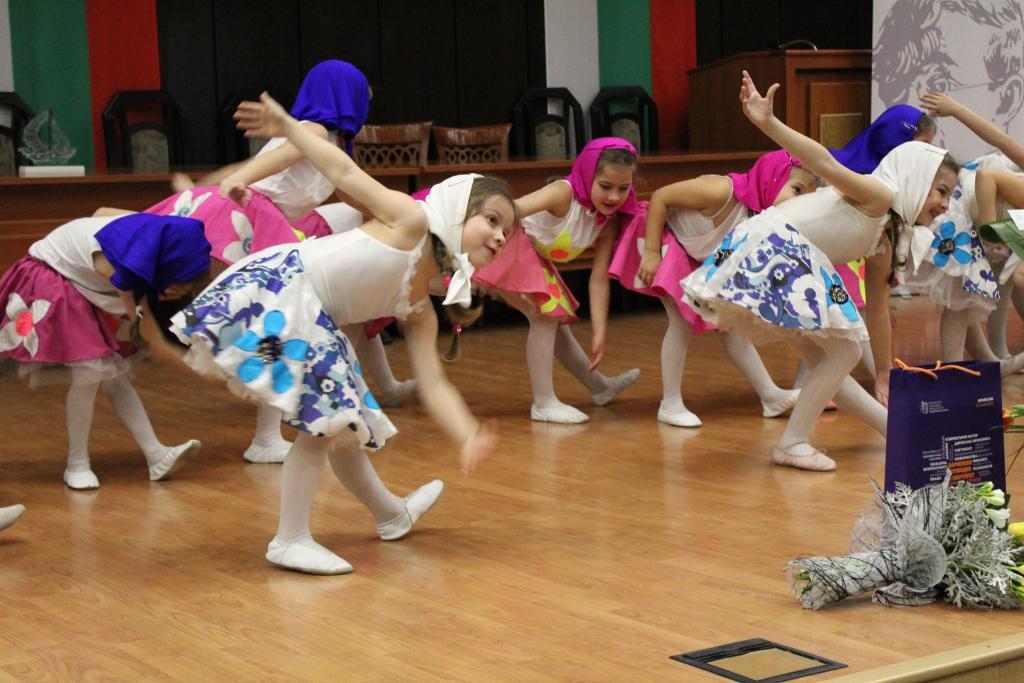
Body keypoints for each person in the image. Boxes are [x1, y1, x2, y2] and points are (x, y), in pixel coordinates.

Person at [171, 92, 511, 575]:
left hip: (312, 317)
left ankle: (391, 515)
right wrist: (288, 126)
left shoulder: (420, 309)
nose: (500, 236)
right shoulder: (410, 220)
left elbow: (434, 384)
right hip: (286, 290)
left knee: (345, 426)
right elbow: (344, 172)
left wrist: (468, 435)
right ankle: (289, 539)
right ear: (459, 208)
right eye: (492, 220)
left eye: (506, 232)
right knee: (325, 422)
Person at [682, 71, 958, 472]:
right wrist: (768, 122)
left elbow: (878, 308)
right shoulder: (879, 194)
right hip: (777, 244)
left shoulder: (888, 229)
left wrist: (884, 372)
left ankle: (892, 429)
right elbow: (822, 160)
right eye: (941, 191)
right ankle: (793, 442)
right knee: (845, 350)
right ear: (915, 179)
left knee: (830, 357)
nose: (946, 205)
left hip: (779, 247)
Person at [146, 60, 373, 464]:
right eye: (363, 94)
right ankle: (265, 434)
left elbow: (358, 195)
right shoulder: (313, 131)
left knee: (278, 326)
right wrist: (231, 183)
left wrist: (210, 182)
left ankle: (267, 430)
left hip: (260, 220)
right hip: (251, 217)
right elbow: (273, 162)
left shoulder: (329, 144)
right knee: (279, 324)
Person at [0, 214, 211, 488]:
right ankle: (77, 463)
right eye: (172, 288)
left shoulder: (145, 246)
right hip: (55, 276)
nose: (172, 295)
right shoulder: (120, 268)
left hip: (83, 282)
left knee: (112, 375)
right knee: (88, 373)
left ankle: (155, 454)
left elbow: (102, 211)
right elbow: (147, 331)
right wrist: (202, 370)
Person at [607, 150, 814, 426]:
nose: (801, 201)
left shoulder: (762, 217)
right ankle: (670, 404)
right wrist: (652, 252)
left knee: (729, 324)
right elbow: (661, 197)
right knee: (681, 322)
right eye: (797, 190)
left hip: (698, 255)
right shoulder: (721, 192)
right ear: (772, 179)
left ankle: (770, 395)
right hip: (661, 237)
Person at [473, 138, 641, 424]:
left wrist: (599, 331)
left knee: (556, 323)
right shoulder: (563, 194)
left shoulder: (608, 221)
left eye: (623, 189)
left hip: (533, 256)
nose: (614, 197)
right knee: (545, 317)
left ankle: (599, 387)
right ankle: (543, 402)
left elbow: (598, 279)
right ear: (587, 174)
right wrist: (474, 252)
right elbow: (507, 211)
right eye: (605, 186)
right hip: (509, 243)